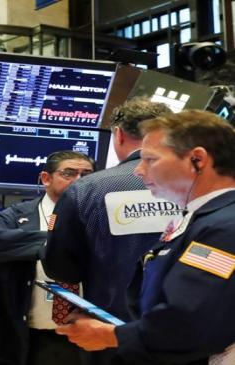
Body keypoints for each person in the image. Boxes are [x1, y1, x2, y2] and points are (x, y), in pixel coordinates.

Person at [55, 110, 235, 364]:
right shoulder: (205, 217)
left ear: (197, 159)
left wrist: (113, 337)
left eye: (150, 159)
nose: (139, 170)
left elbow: (189, 323)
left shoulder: (224, 227)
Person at [42, 98, 174, 364]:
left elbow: (60, 268)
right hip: (189, 332)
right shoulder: (198, 184)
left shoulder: (86, 189)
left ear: (119, 133)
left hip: (111, 332)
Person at [0, 151, 94, 365]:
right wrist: (56, 241)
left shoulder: (101, 216)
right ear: (46, 178)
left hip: (87, 334)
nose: (79, 181)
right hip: (26, 335)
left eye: (87, 174)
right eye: (69, 173)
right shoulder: (19, 214)